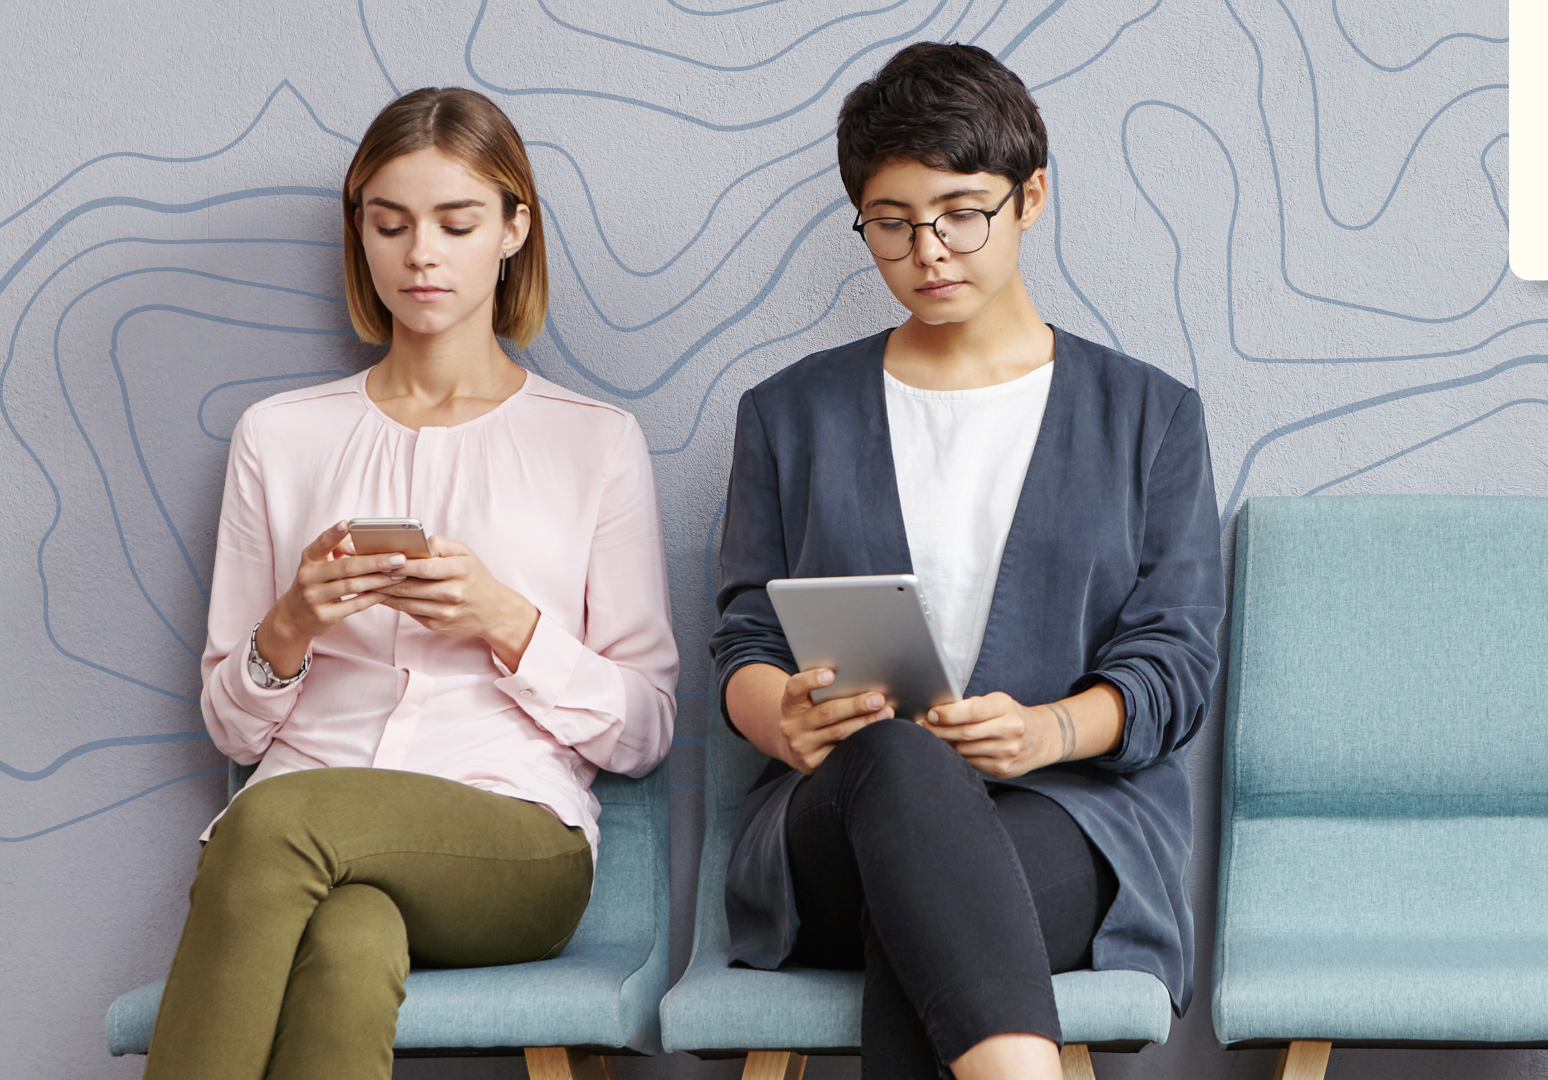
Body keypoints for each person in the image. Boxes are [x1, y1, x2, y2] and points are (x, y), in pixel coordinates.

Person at [711, 43, 1225, 1080]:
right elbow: (745, 638)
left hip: (1074, 815)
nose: (929, 252)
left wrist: (1045, 732)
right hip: (835, 822)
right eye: (892, 224)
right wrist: (782, 718)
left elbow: (1175, 663)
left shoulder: (1150, 417)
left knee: (941, 915)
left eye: (961, 214)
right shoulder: (789, 415)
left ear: (1030, 198)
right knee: (902, 763)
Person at [143, 87, 678, 1080]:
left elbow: (646, 732)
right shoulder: (280, 437)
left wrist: (506, 622)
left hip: (511, 840)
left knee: (271, 819)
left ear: (514, 229)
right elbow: (233, 729)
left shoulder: (594, 442)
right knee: (351, 941)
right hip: (303, 832)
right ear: (361, 235)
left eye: (455, 223)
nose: (420, 254)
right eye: (390, 226)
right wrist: (291, 625)